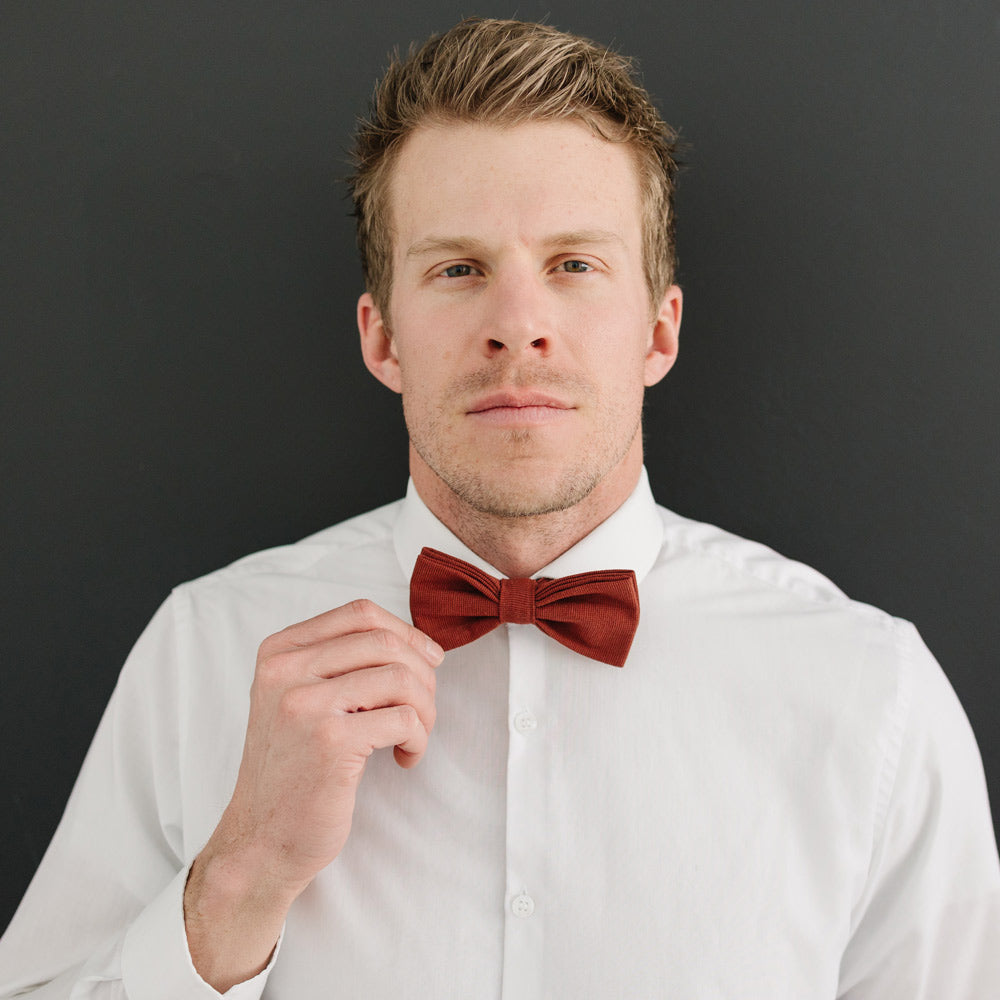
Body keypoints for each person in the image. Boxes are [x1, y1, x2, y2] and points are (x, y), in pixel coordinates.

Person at [1, 17, 997, 998]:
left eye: (573, 265)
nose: (517, 327)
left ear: (658, 330)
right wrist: (243, 873)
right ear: (381, 337)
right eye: (458, 270)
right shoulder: (205, 651)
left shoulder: (869, 694)